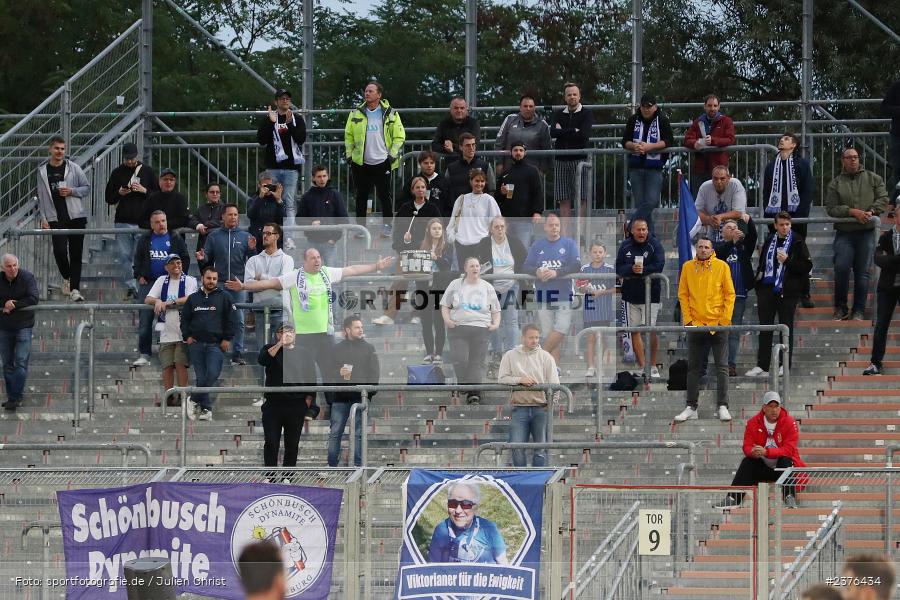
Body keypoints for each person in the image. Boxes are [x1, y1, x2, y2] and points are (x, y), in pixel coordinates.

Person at [232, 248, 393, 417]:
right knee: (306, 373)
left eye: (318, 257)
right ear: (305, 261)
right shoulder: (295, 276)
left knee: (330, 371)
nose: (317, 261)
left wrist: (376, 266)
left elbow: (351, 270)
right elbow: (270, 283)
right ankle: (310, 407)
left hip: (325, 335)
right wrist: (244, 286)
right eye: (313, 258)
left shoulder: (326, 273)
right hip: (303, 335)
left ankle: (333, 406)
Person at [675, 237, 735, 423]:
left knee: (722, 367)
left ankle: (723, 405)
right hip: (696, 325)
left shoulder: (722, 266)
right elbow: (683, 295)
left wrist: (723, 321)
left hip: (718, 324)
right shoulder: (687, 267)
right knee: (693, 368)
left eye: (706, 247)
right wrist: (689, 320)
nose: (702, 250)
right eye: (700, 247)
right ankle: (691, 406)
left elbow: (729, 294)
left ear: (712, 249)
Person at [745, 212, 812, 378]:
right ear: (775, 225)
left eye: (787, 224)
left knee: (785, 328)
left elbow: (806, 266)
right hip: (767, 289)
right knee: (765, 328)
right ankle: (762, 366)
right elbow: (763, 262)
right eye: (781, 224)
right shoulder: (770, 239)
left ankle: (785, 364)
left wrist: (788, 261)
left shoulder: (797, 241)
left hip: (787, 291)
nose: (784, 227)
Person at [825, 147, 889, 321]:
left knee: (862, 272)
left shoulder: (873, 178)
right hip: (845, 234)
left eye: (856, 157)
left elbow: (884, 198)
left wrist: (871, 211)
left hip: (866, 233)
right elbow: (831, 209)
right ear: (843, 160)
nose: (853, 160)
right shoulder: (835, 183)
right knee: (841, 268)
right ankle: (840, 307)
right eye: (849, 157)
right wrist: (852, 211)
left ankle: (859, 310)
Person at [714, 391, 804, 509]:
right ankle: (733, 498)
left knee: (785, 460)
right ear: (764, 408)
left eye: (776, 406)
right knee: (747, 461)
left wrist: (767, 452)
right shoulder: (753, 422)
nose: (774, 410)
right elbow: (746, 446)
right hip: (762, 468)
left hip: (782, 468)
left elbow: (789, 450)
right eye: (770, 406)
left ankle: (789, 496)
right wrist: (753, 452)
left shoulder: (789, 422)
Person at [372, 176, 443, 326]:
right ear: (412, 190)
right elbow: (397, 232)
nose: (420, 190)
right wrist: (404, 242)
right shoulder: (405, 208)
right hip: (406, 253)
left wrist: (431, 248)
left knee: (421, 285)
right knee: (399, 283)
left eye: (423, 187)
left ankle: (418, 314)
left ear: (426, 189)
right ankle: (389, 316)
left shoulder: (432, 208)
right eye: (417, 187)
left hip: (424, 254)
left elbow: (437, 231)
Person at [344, 80, 406, 236]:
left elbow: (399, 136)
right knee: (361, 196)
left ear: (379, 95)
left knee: (384, 195)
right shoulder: (355, 113)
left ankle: (387, 226)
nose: (367, 93)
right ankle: (360, 229)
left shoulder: (391, 113)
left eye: (371, 91)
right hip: (361, 162)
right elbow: (348, 135)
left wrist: (392, 155)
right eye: (366, 91)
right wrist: (349, 155)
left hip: (382, 161)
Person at [763, 132, 816, 308]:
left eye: (786, 139)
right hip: (775, 219)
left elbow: (808, 191)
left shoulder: (802, 164)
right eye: (781, 139)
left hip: (797, 219)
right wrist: (769, 216)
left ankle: (804, 292)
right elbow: (766, 192)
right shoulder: (771, 166)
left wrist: (799, 216)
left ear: (794, 145)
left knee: (799, 257)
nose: (781, 140)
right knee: (775, 254)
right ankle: (774, 286)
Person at [132, 210, 191, 367]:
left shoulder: (175, 237)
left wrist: (180, 277)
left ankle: (172, 353)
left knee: (173, 319)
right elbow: (137, 259)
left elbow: (185, 257)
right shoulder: (145, 239)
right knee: (145, 320)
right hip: (150, 283)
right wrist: (139, 275)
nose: (161, 224)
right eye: (157, 222)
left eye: (163, 221)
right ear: (152, 224)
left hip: (170, 281)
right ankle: (144, 353)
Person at [36, 135, 90, 302]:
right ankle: (67, 277)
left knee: (76, 254)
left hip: (76, 216)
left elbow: (86, 188)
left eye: (62, 149)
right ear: (50, 149)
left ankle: (75, 289)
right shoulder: (42, 171)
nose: (60, 152)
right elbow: (41, 196)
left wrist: (72, 191)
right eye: (57, 148)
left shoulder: (73, 167)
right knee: (59, 251)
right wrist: (43, 218)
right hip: (55, 217)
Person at [200, 203, 256, 365]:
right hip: (220, 284)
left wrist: (252, 249)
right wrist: (201, 257)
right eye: (230, 214)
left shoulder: (245, 236)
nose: (233, 217)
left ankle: (237, 354)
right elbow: (207, 257)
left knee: (238, 320)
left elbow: (252, 261)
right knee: (215, 318)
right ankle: (214, 352)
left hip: (238, 285)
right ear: (223, 217)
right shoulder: (214, 236)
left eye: (236, 215)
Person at [181, 266, 238, 421]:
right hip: (196, 345)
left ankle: (193, 398)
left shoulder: (225, 297)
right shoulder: (192, 298)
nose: (212, 281)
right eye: (209, 278)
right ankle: (206, 409)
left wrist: (227, 338)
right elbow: (185, 319)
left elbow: (232, 320)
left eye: (214, 279)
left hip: (216, 345)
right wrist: (187, 336)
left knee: (212, 374)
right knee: (201, 378)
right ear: (202, 278)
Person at [441, 257, 501, 405]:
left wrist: (496, 324)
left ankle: (474, 395)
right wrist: (448, 320)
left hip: (481, 328)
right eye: (472, 266)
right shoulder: (455, 284)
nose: (475, 268)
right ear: (465, 268)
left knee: (476, 363)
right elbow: (444, 305)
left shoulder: (487, 287)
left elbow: (496, 309)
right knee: (460, 359)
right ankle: (464, 384)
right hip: (458, 328)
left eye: (477, 266)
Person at [523, 213, 581, 366]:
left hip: (564, 294)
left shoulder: (569, 244)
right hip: (543, 294)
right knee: (549, 333)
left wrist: (557, 273)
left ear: (560, 227)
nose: (554, 228)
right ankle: (554, 369)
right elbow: (526, 266)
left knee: (561, 329)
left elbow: (576, 265)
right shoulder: (537, 245)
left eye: (557, 225)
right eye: (551, 225)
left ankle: (536, 358)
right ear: (545, 227)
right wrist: (537, 271)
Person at [498, 323, 559, 467]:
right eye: (531, 337)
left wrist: (551, 404)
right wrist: (520, 380)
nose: (535, 340)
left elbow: (555, 383)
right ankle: (521, 476)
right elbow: (502, 379)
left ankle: (538, 478)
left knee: (541, 449)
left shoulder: (546, 357)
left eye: (537, 337)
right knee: (516, 447)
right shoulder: (510, 355)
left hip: (541, 408)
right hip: (519, 408)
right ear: (523, 338)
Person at [104, 141, 158, 299]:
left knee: (138, 254)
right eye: (127, 158)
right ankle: (130, 285)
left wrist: (144, 190)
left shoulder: (147, 172)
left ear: (137, 156)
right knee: (124, 254)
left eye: (132, 158)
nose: (130, 161)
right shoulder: (117, 173)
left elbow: (157, 196)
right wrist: (120, 192)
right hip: (122, 219)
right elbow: (109, 198)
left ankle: (140, 283)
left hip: (142, 221)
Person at [258, 324, 316, 467]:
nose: (287, 334)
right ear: (277, 335)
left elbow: (311, 377)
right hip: (273, 404)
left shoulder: (304, 353)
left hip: (296, 404)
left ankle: (288, 476)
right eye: (283, 332)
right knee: (271, 441)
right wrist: (280, 344)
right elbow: (263, 360)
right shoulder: (269, 349)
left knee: (292, 443)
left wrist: (308, 402)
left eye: (291, 332)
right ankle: (270, 476)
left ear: (295, 334)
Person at [615, 218, 665, 377]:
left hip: (651, 296)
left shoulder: (654, 244)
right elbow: (619, 268)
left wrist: (642, 270)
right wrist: (631, 268)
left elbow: (659, 265)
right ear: (632, 231)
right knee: (635, 331)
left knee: (650, 330)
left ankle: (653, 365)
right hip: (630, 296)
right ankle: (644, 366)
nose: (642, 232)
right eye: (639, 230)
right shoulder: (625, 245)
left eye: (644, 229)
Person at [256, 88, 306, 250]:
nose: (285, 101)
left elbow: (301, 139)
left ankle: (288, 237)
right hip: (273, 167)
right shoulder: (269, 119)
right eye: (282, 98)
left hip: (291, 168)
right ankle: (270, 236)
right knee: (270, 201)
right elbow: (261, 140)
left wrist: (290, 124)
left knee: (289, 203)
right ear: (276, 101)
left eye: (287, 98)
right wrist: (271, 122)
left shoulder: (297, 118)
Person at [145, 254, 197, 405]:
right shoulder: (162, 280)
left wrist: (168, 302)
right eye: (173, 263)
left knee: (181, 364)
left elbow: (191, 298)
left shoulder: (189, 280)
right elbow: (148, 298)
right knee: (167, 365)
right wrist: (158, 300)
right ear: (166, 267)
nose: (177, 265)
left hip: (183, 330)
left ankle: (182, 396)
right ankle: (168, 397)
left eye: (179, 262)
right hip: (165, 330)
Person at [328, 316, 380, 467]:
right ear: (347, 329)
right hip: (340, 398)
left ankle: (357, 466)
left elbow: (374, 373)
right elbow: (329, 372)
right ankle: (331, 465)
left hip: (360, 398)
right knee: (335, 433)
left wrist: (368, 394)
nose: (361, 330)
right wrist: (338, 373)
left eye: (361, 327)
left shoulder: (369, 348)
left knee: (358, 434)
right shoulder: (337, 349)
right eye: (357, 327)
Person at [476, 216, 528, 362]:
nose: (499, 229)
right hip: (491, 287)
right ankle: (497, 351)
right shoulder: (484, 243)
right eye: (496, 227)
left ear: (506, 227)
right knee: (494, 321)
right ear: (491, 230)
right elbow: (476, 261)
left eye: (502, 226)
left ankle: (512, 351)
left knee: (511, 319)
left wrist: (519, 276)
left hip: (511, 284)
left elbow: (525, 259)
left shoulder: (514, 242)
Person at [622, 94, 674, 234]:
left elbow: (668, 141)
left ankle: (631, 224)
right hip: (636, 167)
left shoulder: (662, 120)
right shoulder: (633, 120)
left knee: (651, 201)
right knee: (641, 205)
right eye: (644, 106)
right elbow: (624, 141)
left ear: (655, 107)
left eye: (649, 106)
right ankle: (650, 237)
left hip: (654, 168)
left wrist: (649, 147)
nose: (646, 109)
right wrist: (634, 146)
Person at [427, 481, 509, 564]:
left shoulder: (488, 529)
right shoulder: (441, 530)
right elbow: (434, 568)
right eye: (453, 503)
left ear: (475, 507)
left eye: (465, 504)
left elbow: (503, 565)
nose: (458, 511)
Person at [715, 219, 757, 376]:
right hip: (720, 297)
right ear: (723, 232)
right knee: (719, 332)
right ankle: (720, 363)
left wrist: (750, 222)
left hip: (739, 296)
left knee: (733, 332)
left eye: (735, 228)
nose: (733, 230)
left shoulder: (743, 247)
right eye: (729, 228)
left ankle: (730, 364)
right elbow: (718, 255)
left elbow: (753, 236)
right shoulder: (718, 247)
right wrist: (731, 242)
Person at [244, 222, 295, 342]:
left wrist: (260, 277)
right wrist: (273, 283)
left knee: (282, 352)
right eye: (263, 233)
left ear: (277, 236)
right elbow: (248, 286)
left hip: (281, 311)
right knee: (263, 352)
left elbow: (282, 284)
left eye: (268, 233)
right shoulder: (253, 260)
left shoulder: (287, 259)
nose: (265, 236)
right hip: (260, 311)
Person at [550, 82, 594, 219]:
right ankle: (565, 236)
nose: (572, 97)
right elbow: (552, 133)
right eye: (569, 95)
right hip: (561, 160)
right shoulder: (558, 114)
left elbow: (583, 135)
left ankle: (580, 236)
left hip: (580, 160)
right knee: (563, 199)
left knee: (581, 199)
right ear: (565, 97)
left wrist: (561, 131)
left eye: (575, 94)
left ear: (579, 96)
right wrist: (572, 130)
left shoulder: (587, 113)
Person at [0, 254, 38, 412]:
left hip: (23, 325)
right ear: (3, 268)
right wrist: (4, 303)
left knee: (21, 362)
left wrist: (15, 304)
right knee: (7, 363)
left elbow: (34, 298)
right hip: (4, 326)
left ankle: (15, 397)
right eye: (9, 266)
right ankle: (13, 397)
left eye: (15, 265)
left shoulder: (27, 277)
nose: (13, 268)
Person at [862, 217, 900, 375]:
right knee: (881, 325)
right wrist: (896, 259)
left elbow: (884, 259)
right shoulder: (885, 237)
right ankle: (875, 362)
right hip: (887, 287)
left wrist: (888, 259)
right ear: (896, 217)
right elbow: (877, 259)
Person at [416, 218, 455, 363]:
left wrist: (436, 258)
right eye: (434, 228)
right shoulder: (421, 245)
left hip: (440, 287)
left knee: (439, 321)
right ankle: (428, 353)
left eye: (439, 228)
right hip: (423, 287)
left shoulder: (447, 246)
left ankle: (438, 353)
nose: (437, 231)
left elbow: (447, 265)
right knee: (425, 322)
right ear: (428, 230)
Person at [446, 168, 502, 264]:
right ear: (471, 181)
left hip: (481, 244)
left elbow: (497, 222)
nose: (479, 184)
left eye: (482, 181)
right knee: (463, 275)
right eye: (476, 181)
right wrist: (453, 238)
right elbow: (452, 221)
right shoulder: (461, 198)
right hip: (461, 244)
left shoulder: (489, 200)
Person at [683, 94, 736, 196]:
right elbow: (687, 139)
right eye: (710, 105)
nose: (712, 108)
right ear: (705, 106)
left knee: (721, 199)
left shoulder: (726, 121)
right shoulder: (698, 122)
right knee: (698, 200)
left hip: (719, 169)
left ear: (719, 107)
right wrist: (695, 144)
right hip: (700, 169)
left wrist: (713, 141)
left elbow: (730, 139)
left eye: (715, 106)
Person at [297, 165, 349, 267]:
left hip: (330, 243)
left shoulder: (335, 195)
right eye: (319, 176)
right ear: (313, 178)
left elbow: (344, 219)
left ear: (328, 176)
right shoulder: (307, 196)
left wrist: (334, 239)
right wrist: (310, 223)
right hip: (311, 242)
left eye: (324, 176)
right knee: (311, 274)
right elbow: (298, 219)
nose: (322, 179)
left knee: (331, 276)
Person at [578, 241, 617, 378]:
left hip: (604, 310)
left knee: (602, 338)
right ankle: (591, 366)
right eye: (595, 252)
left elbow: (617, 288)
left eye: (600, 252)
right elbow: (580, 288)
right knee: (590, 338)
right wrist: (585, 288)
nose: (597, 254)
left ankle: (598, 363)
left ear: (605, 253)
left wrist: (603, 292)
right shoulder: (584, 269)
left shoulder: (610, 269)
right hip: (589, 309)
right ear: (590, 253)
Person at [496, 142, 544, 246]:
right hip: (507, 220)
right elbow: (497, 197)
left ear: (525, 153)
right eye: (515, 150)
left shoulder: (532, 171)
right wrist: (501, 192)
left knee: (523, 250)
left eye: (521, 150)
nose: (518, 153)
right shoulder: (505, 173)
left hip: (524, 219)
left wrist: (537, 211)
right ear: (511, 153)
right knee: (507, 250)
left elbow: (538, 192)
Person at [495, 95, 551, 175]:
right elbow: (499, 142)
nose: (528, 109)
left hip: (532, 171)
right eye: (525, 106)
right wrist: (499, 162)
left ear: (534, 108)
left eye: (531, 106)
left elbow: (547, 148)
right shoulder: (509, 119)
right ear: (520, 108)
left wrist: (542, 170)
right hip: (509, 169)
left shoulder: (542, 125)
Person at [694, 166, 748, 242]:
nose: (718, 182)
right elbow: (696, 212)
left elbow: (739, 213)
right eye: (715, 179)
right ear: (712, 178)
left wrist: (720, 217)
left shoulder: (736, 185)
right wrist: (708, 219)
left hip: (735, 234)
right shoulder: (704, 187)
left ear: (729, 178)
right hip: (713, 235)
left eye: (722, 179)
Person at [444, 133, 496, 205]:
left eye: (473, 144)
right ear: (461, 147)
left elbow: (492, 189)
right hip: (458, 209)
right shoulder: (451, 168)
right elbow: (446, 191)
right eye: (468, 145)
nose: (471, 148)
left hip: (480, 209)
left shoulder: (485, 166)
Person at [431, 96, 480, 162]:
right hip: (449, 164)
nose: (459, 110)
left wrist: (452, 148)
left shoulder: (473, 123)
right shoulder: (443, 123)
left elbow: (474, 146)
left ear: (466, 110)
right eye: (456, 108)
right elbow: (434, 145)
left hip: (469, 162)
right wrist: (447, 148)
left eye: (462, 108)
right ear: (451, 110)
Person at [404, 151, 451, 217]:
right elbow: (405, 201)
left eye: (432, 163)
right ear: (420, 164)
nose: (429, 165)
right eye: (426, 163)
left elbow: (449, 204)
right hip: (417, 220)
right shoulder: (413, 181)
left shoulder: (444, 181)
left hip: (438, 221)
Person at [247, 171, 286, 250]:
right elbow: (250, 215)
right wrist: (260, 197)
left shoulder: (278, 200)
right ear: (259, 185)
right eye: (265, 186)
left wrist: (279, 200)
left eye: (270, 185)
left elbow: (282, 219)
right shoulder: (253, 200)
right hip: (258, 239)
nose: (267, 188)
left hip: (274, 240)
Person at [191, 182, 225, 270]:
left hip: (221, 245)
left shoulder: (225, 208)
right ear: (206, 194)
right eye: (212, 192)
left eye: (217, 192)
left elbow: (224, 221)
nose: (215, 194)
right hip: (203, 246)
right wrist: (198, 225)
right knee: (205, 275)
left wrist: (206, 225)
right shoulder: (201, 209)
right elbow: (191, 220)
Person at [883, 79, 900, 205]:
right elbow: (884, 107)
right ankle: (895, 204)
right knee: (898, 169)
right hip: (898, 135)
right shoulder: (896, 86)